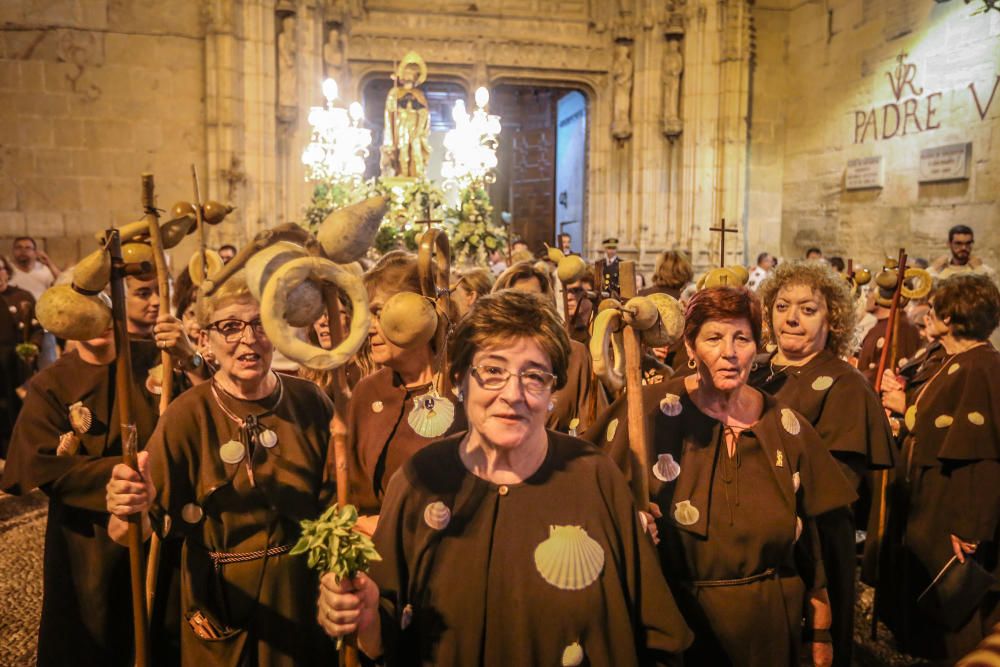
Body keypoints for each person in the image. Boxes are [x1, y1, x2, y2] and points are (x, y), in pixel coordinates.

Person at [316, 290, 694, 664]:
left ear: (552, 392)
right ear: (461, 379)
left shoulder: (595, 477)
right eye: (493, 371)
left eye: (533, 376)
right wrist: (360, 615)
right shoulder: (419, 481)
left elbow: (656, 636)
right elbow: (384, 629)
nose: (512, 394)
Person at [586, 286, 857, 667]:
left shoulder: (784, 426)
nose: (729, 352)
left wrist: (821, 632)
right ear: (691, 347)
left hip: (770, 631)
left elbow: (815, 547)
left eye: (742, 338)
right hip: (679, 630)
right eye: (714, 337)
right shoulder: (645, 414)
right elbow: (592, 508)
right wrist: (630, 526)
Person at [104, 270, 338, 666]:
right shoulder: (187, 414)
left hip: (303, 596)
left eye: (261, 324)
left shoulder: (310, 401)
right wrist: (130, 507)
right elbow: (127, 534)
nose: (248, 339)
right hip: (220, 603)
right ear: (204, 340)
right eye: (230, 327)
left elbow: (338, 505)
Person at [1, 304, 164, 665]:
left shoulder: (154, 358)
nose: (99, 325)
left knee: (157, 621)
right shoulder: (52, 383)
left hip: (158, 521)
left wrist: (191, 358)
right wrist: (124, 474)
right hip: (86, 536)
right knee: (93, 630)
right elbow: (37, 463)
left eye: (107, 313)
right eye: (86, 317)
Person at [751, 261, 895, 667]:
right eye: (782, 307)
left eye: (807, 309)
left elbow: (838, 481)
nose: (791, 318)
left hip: (811, 541)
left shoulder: (845, 384)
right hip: (748, 539)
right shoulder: (752, 369)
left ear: (832, 318)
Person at [875, 274, 1000, 661]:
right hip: (930, 499)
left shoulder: (981, 368)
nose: (926, 315)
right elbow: (937, 421)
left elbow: (981, 456)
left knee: (957, 612)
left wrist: (970, 527)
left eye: (933, 309)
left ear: (949, 317)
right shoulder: (954, 362)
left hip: (952, 507)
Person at [345, 253, 467, 523]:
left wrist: (391, 527)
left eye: (380, 313)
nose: (370, 328)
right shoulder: (368, 392)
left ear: (423, 315)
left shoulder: (465, 390)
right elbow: (348, 487)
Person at [493, 261, 604, 435]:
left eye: (533, 298)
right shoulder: (485, 354)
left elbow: (593, 429)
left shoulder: (574, 355)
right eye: (514, 298)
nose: (523, 307)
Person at [0, 255, 41, 456]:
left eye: (0, 268)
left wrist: (33, 347)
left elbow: (37, 329)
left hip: (19, 367)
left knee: (22, 411)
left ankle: (22, 455)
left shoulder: (22, 296)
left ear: (7, 271)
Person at [10, 237, 60, 367]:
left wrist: (49, 263)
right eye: (19, 247)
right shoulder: (8, 271)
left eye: (28, 248)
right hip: (16, 327)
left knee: (48, 363)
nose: (23, 251)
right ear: (13, 251)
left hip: (42, 325)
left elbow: (62, 283)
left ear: (35, 252)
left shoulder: (43, 270)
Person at [928, 224, 996, 282]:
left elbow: (993, 291)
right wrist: (934, 268)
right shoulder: (939, 269)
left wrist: (979, 269)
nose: (964, 247)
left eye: (968, 243)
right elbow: (920, 288)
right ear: (949, 244)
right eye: (958, 243)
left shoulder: (982, 270)